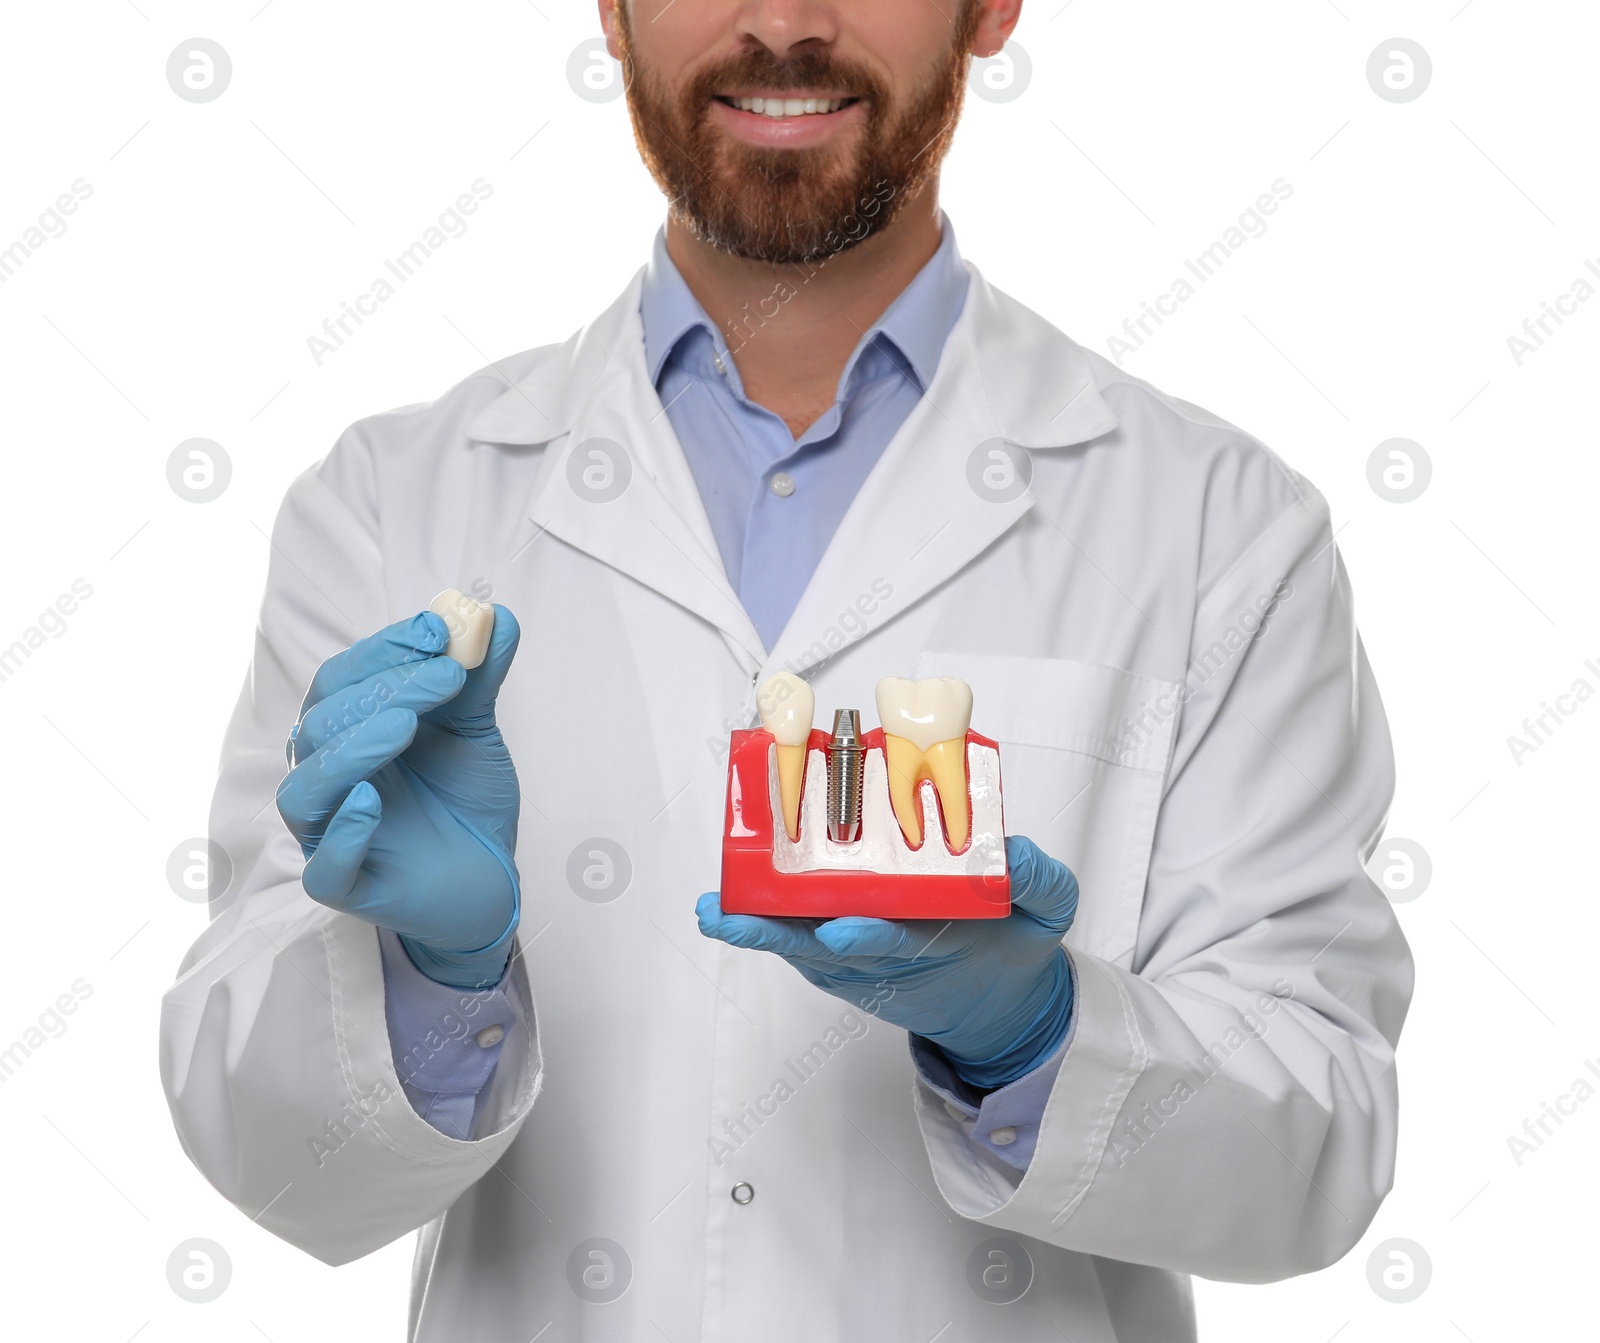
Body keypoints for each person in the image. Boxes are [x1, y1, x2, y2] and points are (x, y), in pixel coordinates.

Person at [160, 1, 1414, 1338]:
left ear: (990, 9)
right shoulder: (389, 504)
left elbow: (1316, 1150)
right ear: (610, 10)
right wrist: (428, 976)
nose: (781, 23)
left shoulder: (1220, 527)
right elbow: (264, 1157)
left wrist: (1035, 1035)